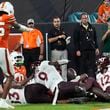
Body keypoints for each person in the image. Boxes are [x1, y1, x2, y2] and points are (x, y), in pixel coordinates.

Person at [0, 1, 34, 109]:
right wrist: (29, 30)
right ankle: (2, 101)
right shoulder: (8, 17)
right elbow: (18, 26)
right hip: (1, 49)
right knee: (10, 76)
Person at [74, 12, 99, 78]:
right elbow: (75, 41)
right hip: (82, 51)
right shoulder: (77, 29)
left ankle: (93, 80)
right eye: (83, 18)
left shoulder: (92, 27)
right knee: (82, 67)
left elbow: (95, 38)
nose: (85, 19)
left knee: (92, 67)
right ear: (81, 19)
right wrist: (77, 50)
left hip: (91, 50)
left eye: (86, 18)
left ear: (88, 19)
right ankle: (82, 82)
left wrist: (96, 48)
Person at [48, 16, 69, 81]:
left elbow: (67, 38)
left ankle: (64, 82)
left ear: (60, 22)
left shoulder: (63, 29)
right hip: (55, 51)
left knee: (64, 67)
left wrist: (67, 40)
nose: (57, 23)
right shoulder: (51, 31)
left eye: (58, 21)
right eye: (55, 22)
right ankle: (55, 81)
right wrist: (59, 37)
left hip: (64, 51)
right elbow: (49, 40)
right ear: (53, 23)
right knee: (55, 67)